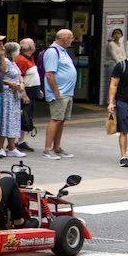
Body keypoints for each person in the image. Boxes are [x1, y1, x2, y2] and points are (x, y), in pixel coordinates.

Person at [41, 28, 78, 159]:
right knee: (56, 119)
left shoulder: (64, 51)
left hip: (67, 92)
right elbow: (50, 74)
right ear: (64, 39)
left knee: (61, 120)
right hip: (60, 92)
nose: (72, 40)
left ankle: (56, 147)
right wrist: (56, 91)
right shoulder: (53, 52)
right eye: (71, 37)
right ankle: (48, 148)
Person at [0, 42, 25, 156]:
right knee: (4, 119)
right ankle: (0, 147)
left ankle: (12, 147)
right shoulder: (5, 62)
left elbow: (19, 75)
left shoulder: (13, 62)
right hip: (6, 94)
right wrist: (10, 83)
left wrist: (21, 83)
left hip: (14, 95)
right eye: (18, 50)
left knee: (13, 120)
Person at [110, 47, 128, 167]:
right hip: (123, 102)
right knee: (124, 130)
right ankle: (123, 156)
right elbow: (113, 85)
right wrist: (111, 102)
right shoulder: (121, 66)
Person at [17, 37, 40, 151]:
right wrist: (23, 94)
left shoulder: (30, 58)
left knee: (26, 116)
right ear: (30, 47)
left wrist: (38, 89)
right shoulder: (21, 60)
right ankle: (17, 141)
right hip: (25, 93)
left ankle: (21, 140)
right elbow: (19, 78)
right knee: (22, 117)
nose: (35, 45)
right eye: (33, 44)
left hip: (32, 91)